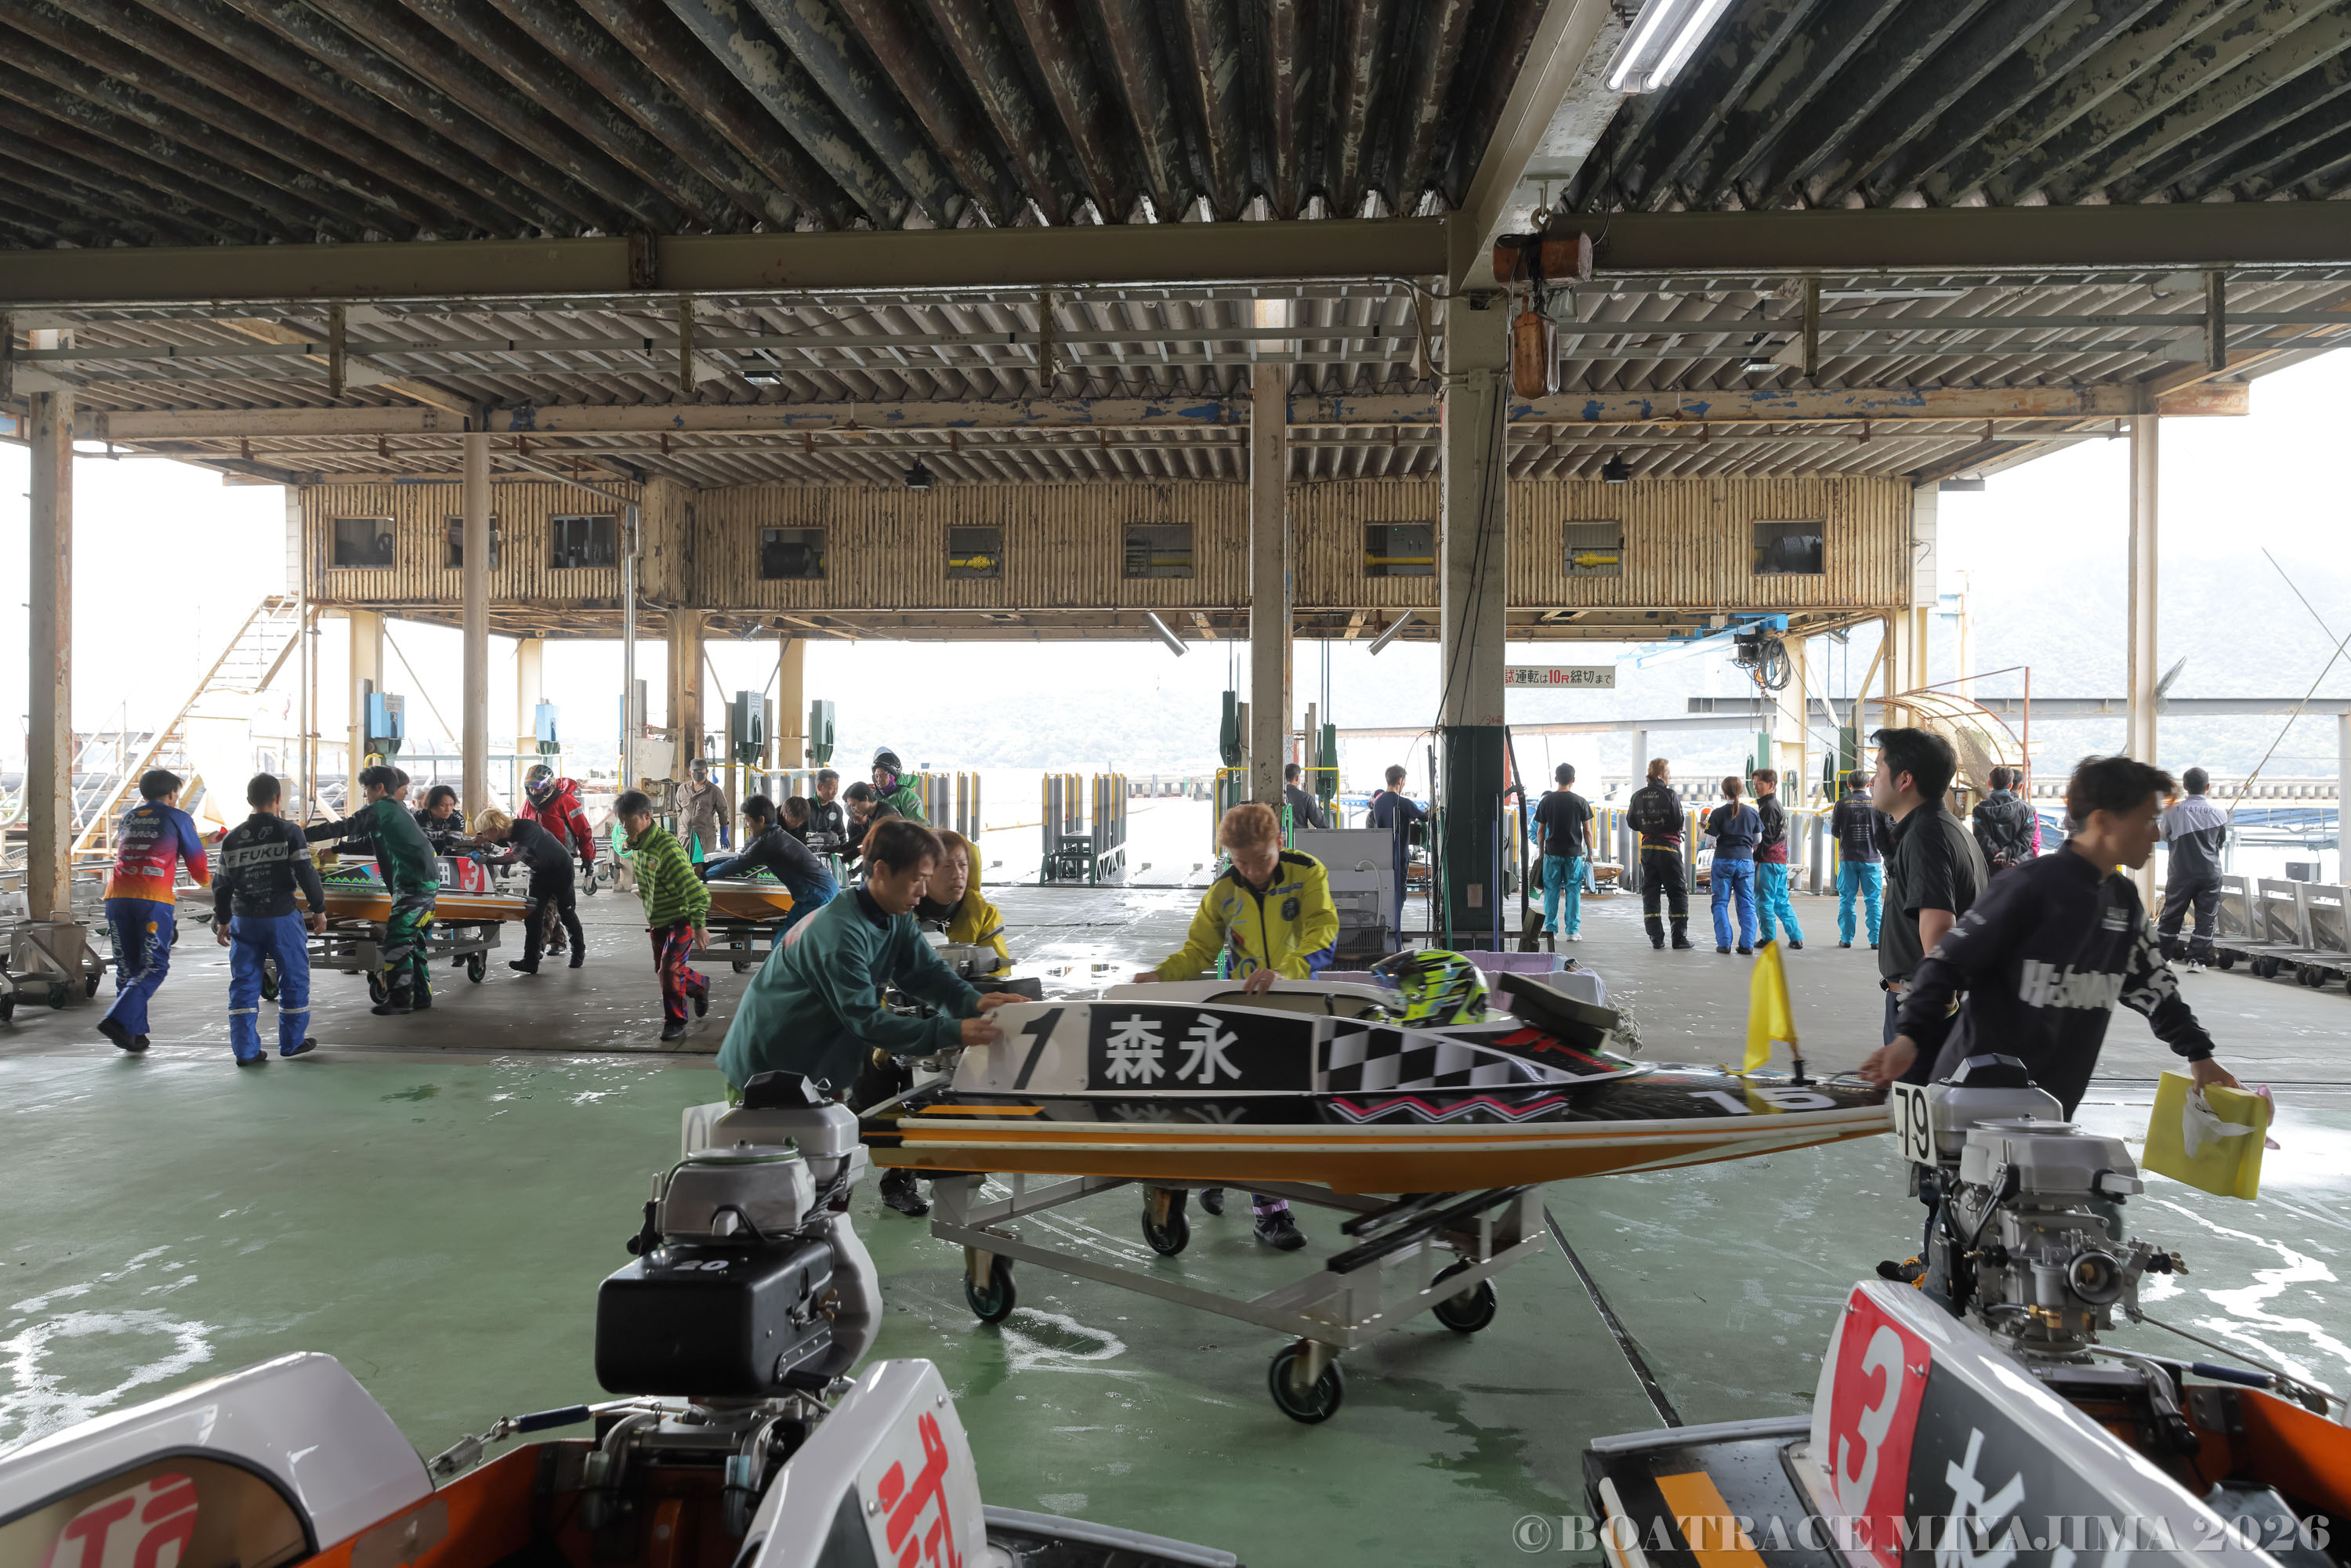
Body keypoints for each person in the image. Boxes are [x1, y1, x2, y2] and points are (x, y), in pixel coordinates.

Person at [1861, 755, 2240, 1117]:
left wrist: (2199, 1055)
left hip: (2052, 1106)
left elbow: (2154, 985)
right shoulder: (2029, 887)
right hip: (1972, 1102)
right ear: (2104, 821)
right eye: (2147, 820)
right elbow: (1945, 964)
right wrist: (1909, 1038)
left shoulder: (2123, 902)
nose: (2156, 833)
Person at [718, 818, 1027, 1212]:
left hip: (818, 1063)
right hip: (767, 1065)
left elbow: (925, 973)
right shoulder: (841, 933)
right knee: (772, 1196)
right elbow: (866, 1021)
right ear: (881, 871)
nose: (923, 891)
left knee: (825, 1184)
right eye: (917, 879)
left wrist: (973, 1002)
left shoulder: (892, 914)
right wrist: (953, 1030)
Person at [1130, 802, 1339, 1251]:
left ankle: (1247, 1195)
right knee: (1245, 1102)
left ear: (1279, 842)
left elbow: (1322, 932)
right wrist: (1160, 976)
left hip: (1296, 1004)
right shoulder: (1223, 892)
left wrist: (1285, 972)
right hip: (1240, 1009)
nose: (1254, 872)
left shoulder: (1307, 873)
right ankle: (1256, 1202)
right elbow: (1198, 952)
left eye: (1262, 859)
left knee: (1277, 1107)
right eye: (1241, 862)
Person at [1871, 727, 1987, 1073]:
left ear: (1905, 780)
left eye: (1879, 770)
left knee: (1923, 1100)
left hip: (1923, 1010)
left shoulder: (1926, 837)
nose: (1872, 781)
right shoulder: (1951, 828)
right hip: (1931, 1007)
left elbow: (1939, 933)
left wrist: (1917, 1027)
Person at [212, 772, 327, 1065]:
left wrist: (223, 920)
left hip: (244, 919)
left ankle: (246, 1051)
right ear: (278, 799)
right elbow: (306, 872)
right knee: (293, 977)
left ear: (249, 800)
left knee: (243, 983)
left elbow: (221, 885)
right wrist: (318, 907)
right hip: (281, 917)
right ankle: (292, 1042)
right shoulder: (289, 831)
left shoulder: (232, 838)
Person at [96, 769, 212, 1053]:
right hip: (152, 898)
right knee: (154, 966)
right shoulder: (178, 817)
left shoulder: (129, 817)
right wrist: (207, 882)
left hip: (116, 896)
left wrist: (204, 841)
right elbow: (197, 865)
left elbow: (150, 844)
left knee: (128, 967)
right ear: (172, 794)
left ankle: (133, 1033)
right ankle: (118, 1020)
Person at [308, 764, 440, 1015]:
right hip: (421, 881)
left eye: (366, 789)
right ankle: (421, 996)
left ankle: (401, 999)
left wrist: (299, 834)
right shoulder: (397, 811)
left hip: (414, 883)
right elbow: (371, 842)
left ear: (379, 788)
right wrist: (336, 849)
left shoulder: (383, 809)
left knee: (397, 939)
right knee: (413, 941)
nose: (365, 795)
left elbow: (344, 826)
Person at [615, 790, 710, 1041]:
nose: (625, 827)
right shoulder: (638, 845)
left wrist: (699, 925)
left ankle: (676, 1022)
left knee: (668, 971)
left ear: (647, 816)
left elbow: (696, 891)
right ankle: (700, 986)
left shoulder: (667, 849)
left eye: (629, 821)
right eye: (622, 822)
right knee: (665, 971)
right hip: (658, 919)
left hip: (682, 918)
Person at [703, 794, 838, 935]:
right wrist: (706, 865)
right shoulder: (773, 836)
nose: (747, 826)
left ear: (761, 820)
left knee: (789, 942)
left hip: (819, 896)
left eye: (747, 821)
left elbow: (740, 863)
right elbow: (742, 858)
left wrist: (703, 875)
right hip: (814, 896)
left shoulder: (770, 842)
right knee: (786, 942)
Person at [472, 807, 585, 973]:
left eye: (485, 833)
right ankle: (530, 962)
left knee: (566, 913)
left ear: (495, 829)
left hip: (560, 869)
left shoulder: (526, 828)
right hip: (539, 872)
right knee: (533, 916)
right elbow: (506, 846)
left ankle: (578, 953)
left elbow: (514, 856)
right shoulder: (504, 833)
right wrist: (483, 840)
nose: (485, 837)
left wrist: (485, 859)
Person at [520, 766, 599, 957]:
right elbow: (519, 832)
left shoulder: (566, 802)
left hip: (561, 865)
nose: (533, 792)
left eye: (537, 788)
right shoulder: (527, 806)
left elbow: (584, 831)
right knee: (539, 907)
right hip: (537, 864)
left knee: (549, 909)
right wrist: (509, 855)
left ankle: (536, 951)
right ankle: (558, 939)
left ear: (548, 786)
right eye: (530, 788)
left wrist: (588, 858)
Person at [2158, 766, 2230, 971]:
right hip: (2210, 873)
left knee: (2172, 914)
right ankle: (2196, 961)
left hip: (2180, 872)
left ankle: (2162, 957)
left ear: (2185, 786)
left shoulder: (2172, 810)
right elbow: (2220, 842)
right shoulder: (2220, 813)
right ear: (2207, 787)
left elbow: (2162, 835)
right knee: (2206, 918)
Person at [1625, 758, 1692, 951]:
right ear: (1662, 775)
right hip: (1669, 848)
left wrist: (1648, 828)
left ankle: (1656, 937)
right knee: (1677, 892)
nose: (1669, 777)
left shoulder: (1637, 796)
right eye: (1668, 774)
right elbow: (1678, 821)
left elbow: (1631, 822)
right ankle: (1679, 938)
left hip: (1648, 849)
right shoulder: (1670, 794)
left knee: (1650, 892)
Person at [1365, 765, 1427, 941]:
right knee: (1400, 894)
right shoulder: (1403, 803)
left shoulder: (1378, 803)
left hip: (1383, 857)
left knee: (1385, 893)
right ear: (1400, 781)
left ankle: (1385, 930)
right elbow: (1424, 817)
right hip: (1399, 857)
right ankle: (1396, 931)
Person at [1534, 763, 1593, 942]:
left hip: (1552, 853)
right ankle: (1572, 931)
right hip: (1574, 855)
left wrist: (1541, 852)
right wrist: (1590, 854)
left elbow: (1540, 831)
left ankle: (1551, 930)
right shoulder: (1580, 802)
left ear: (1556, 779)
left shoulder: (1546, 801)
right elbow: (1587, 830)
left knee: (1551, 892)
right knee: (1573, 891)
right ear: (1573, 780)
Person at [1703, 777, 1761, 955]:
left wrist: (1719, 842)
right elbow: (1758, 839)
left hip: (1723, 861)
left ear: (1724, 791)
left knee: (1720, 902)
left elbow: (1708, 843)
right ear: (1741, 791)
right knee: (1747, 902)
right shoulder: (1752, 813)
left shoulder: (1717, 813)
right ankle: (1747, 945)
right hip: (1745, 862)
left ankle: (1724, 944)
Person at [1830, 770, 1887, 949]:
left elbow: (1835, 831)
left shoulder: (1841, 804)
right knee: (1873, 900)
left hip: (1848, 858)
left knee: (1847, 899)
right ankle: (1876, 940)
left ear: (1849, 784)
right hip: (1872, 859)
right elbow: (1885, 831)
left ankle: (1846, 939)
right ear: (1868, 785)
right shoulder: (1876, 804)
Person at [1751, 767, 1804, 950]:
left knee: (1763, 900)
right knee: (1781, 901)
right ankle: (1796, 937)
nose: (1755, 787)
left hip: (1768, 862)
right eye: (1754, 783)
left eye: (1759, 783)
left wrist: (1756, 858)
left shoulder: (1768, 807)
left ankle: (1768, 938)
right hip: (1780, 861)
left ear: (1771, 785)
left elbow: (1766, 838)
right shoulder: (1776, 805)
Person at [1971, 766, 2038, 875]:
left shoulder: (1979, 810)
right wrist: (2007, 853)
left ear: (1990, 784)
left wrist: (1999, 856)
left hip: (1991, 867)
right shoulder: (2026, 810)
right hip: (2018, 866)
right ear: (2011, 785)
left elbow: (1981, 837)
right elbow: (2027, 838)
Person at [672, 759, 731, 865]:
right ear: (690, 771)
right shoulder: (682, 789)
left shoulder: (714, 790)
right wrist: (682, 828)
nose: (698, 773)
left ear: (706, 771)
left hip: (705, 837)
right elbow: (679, 810)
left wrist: (724, 834)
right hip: (685, 837)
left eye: (701, 771)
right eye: (695, 770)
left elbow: (723, 812)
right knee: (682, 865)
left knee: (703, 866)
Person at [871, 748, 927, 823]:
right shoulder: (874, 795)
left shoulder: (907, 795)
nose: (879, 780)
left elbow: (920, 825)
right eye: (876, 776)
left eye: (883, 776)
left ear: (893, 776)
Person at [414, 784, 469, 856]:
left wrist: (440, 860)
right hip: (424, 855)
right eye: (443, 805)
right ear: (431, 805)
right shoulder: (417, 817)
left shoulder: (457, 819)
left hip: (449, 856)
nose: (448, 810)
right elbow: (415, 843)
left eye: (451, 805)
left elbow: (450, 846)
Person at [806, 770, 849, 848]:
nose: (835, 792)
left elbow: (841, 837)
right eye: (831, 788)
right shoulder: (805, 808)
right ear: (819, 787)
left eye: (837, 788)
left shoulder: (837, 810)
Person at [1281, 762, 1328, 831]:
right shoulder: (1306, 798)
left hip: (1277, 837)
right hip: (1300, 837)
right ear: (1297, 778)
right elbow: (1322, 824)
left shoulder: (1276, 798)